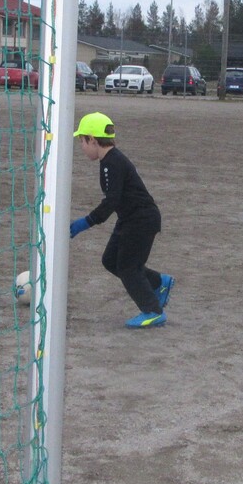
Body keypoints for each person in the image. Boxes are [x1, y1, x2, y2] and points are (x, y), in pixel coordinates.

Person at [69, 112, 174, 329]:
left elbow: (111, 202)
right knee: (110, 260)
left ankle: (153, 311)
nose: (82, 147)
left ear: (93, 140)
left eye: (82, 141)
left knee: (128, 268)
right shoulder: (109, 160)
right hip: (129, 218)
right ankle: (159, 282)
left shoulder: (112, 163)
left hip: (141, 220)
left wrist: (84, 223)